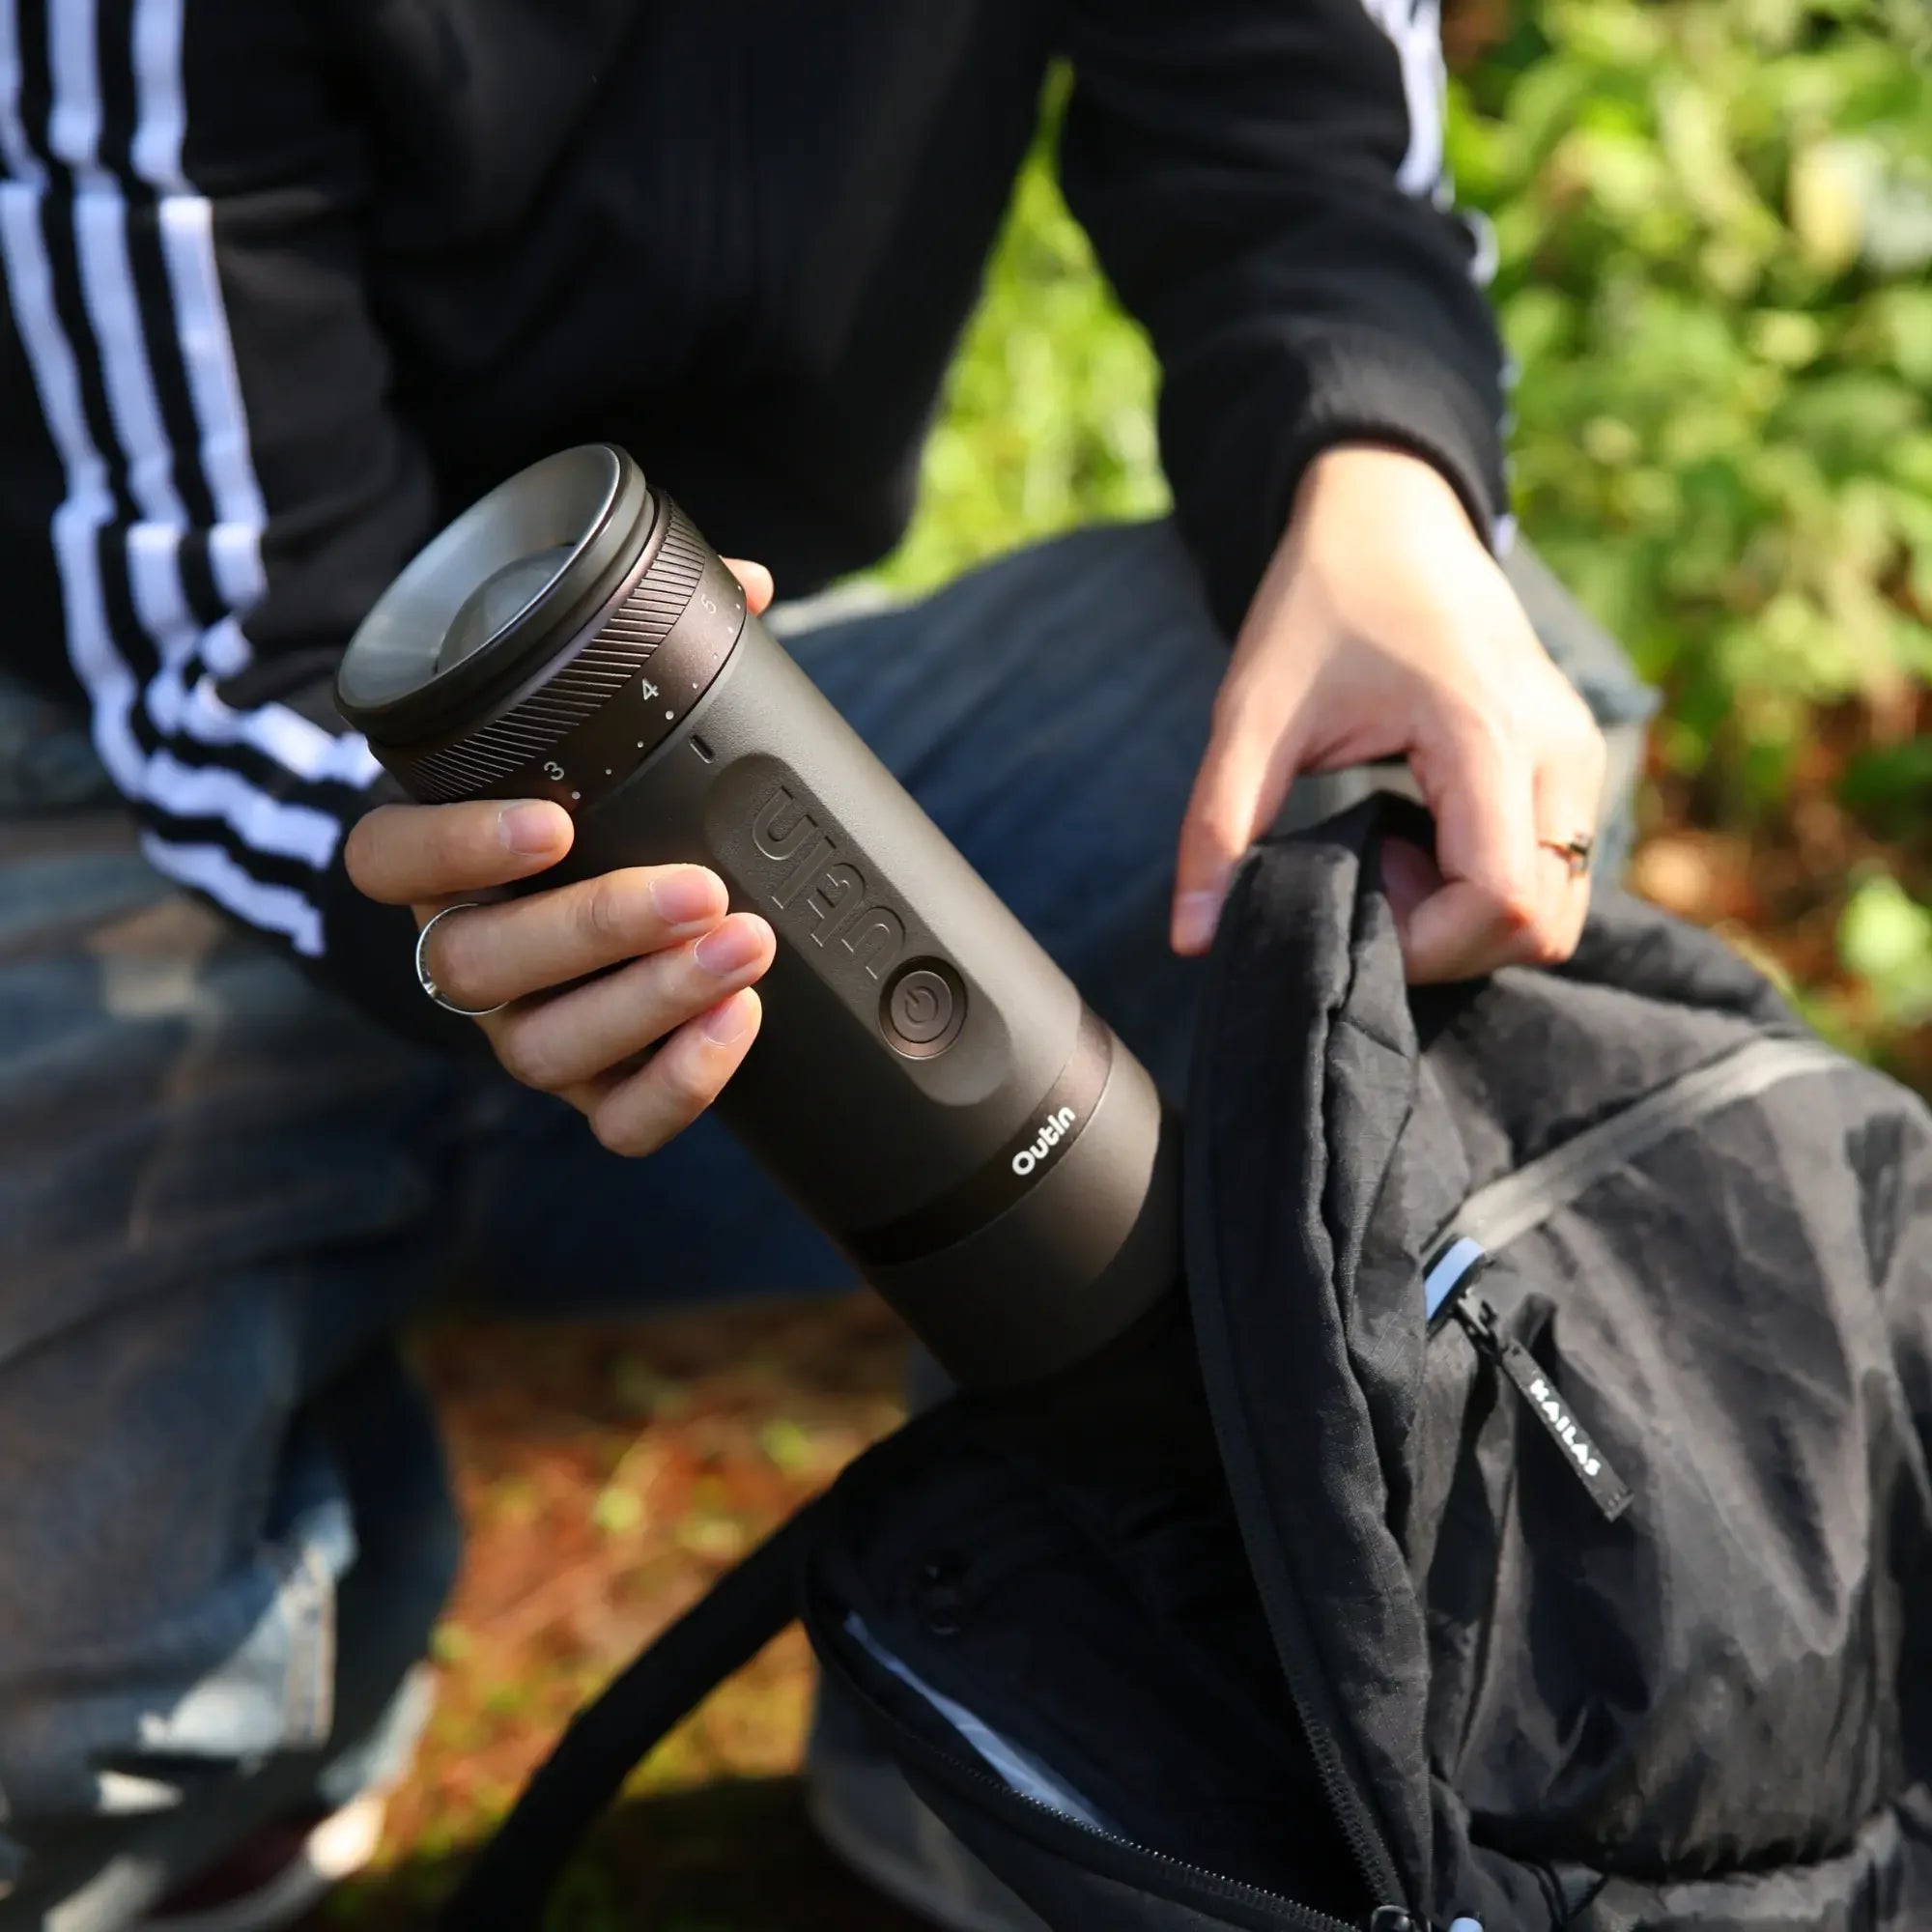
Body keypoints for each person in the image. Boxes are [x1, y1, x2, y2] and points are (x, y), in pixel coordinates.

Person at [0, 2, 1653, 1926]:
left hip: (741, 690)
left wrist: (1371, 458)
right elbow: (220, 638)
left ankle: (1026, 1723)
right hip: (145, 806)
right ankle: (252, 1724)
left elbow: (1290, 135)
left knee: (1452, 764)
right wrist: (456, 928)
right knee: (69, 1709)